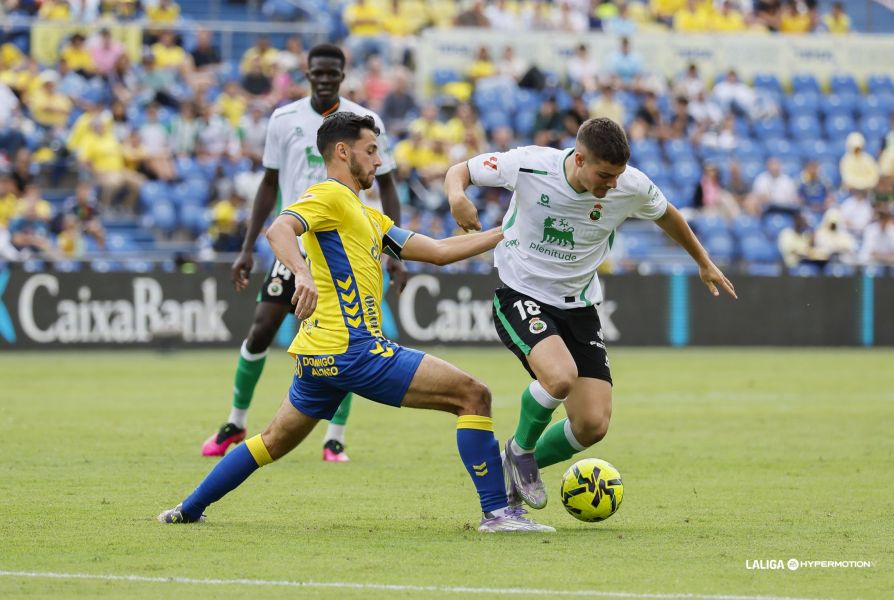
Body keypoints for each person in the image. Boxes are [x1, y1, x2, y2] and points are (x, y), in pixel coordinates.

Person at [159, 112, 553, 533]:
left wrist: (505, 233)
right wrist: (302, 273)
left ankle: (188, 508)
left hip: (319, 358)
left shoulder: (369, 218)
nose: (379, 161)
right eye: (371, 150)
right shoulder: (329, 195)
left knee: (271, 441)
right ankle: (498, 514)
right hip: (354, 349)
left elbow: (437, 250)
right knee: (473, 396)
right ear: (343, 152)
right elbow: (279, 229)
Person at [444, 117, 736, 511]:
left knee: (592, 424)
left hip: (579, 305)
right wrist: (456, 196)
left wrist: (703, 261)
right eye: (604, 175)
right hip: (521, 291)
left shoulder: (630, 184)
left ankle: (508, 473)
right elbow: (460, 171)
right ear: (579, 159)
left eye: (617, 176)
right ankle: (520, 450)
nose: (612, 185)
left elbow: (667, 213)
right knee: (559, 376)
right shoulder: (531, 164)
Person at [202, 44, 407, 463]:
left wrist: (395, 253)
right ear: (309, 73)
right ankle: (236, 421)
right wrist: (246, 247)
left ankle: (334, 437)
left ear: (343, 74)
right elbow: (268, 184)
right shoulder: (284, 119)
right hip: (295, 243)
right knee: (261, 327)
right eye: (318, 72)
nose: (325, 78)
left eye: (333, 72)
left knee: (352, 336)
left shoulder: (363, 123)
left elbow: (387, 187)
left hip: (346, 246)